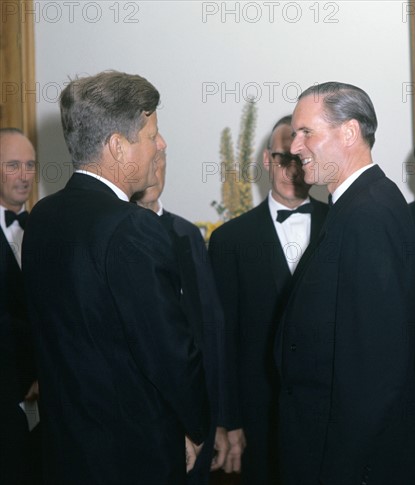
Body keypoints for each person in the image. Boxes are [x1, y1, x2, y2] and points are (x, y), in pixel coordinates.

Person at [21, 71, 210, 484]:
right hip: (134, 457)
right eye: (151, 135)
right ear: (117, 146)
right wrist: (197, 429)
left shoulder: (42, 218)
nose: (160, 145)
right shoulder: (132, 228)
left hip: (64, 452)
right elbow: (170, 351)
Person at [275, 82, 415, 485]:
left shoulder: (368, 213)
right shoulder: (354, 206)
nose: (295, 146)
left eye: (306, 132)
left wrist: (345, 467)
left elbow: (375, 364)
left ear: (350, 133)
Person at [209, 115, 329, 485]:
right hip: (258, 415)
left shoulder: (340, 225)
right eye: (283, 159)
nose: (292, 169)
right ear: (266, 160)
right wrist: (229, 420)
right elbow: (221, 338)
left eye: (300, 159)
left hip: (326, 413)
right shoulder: (230, 240)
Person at [133, 150, 233, 484]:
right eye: (151, 160)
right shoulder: (115, 231)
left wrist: (216, 420)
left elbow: (211, 331)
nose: (156, 169)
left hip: (195, 416)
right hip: (138, 420)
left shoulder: (188, 234)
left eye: (161, 161)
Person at [0, 127, 41, 484]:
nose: (25, 175)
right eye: (14, 165)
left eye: (30, 165)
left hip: (50, 401)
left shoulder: (49, 228)